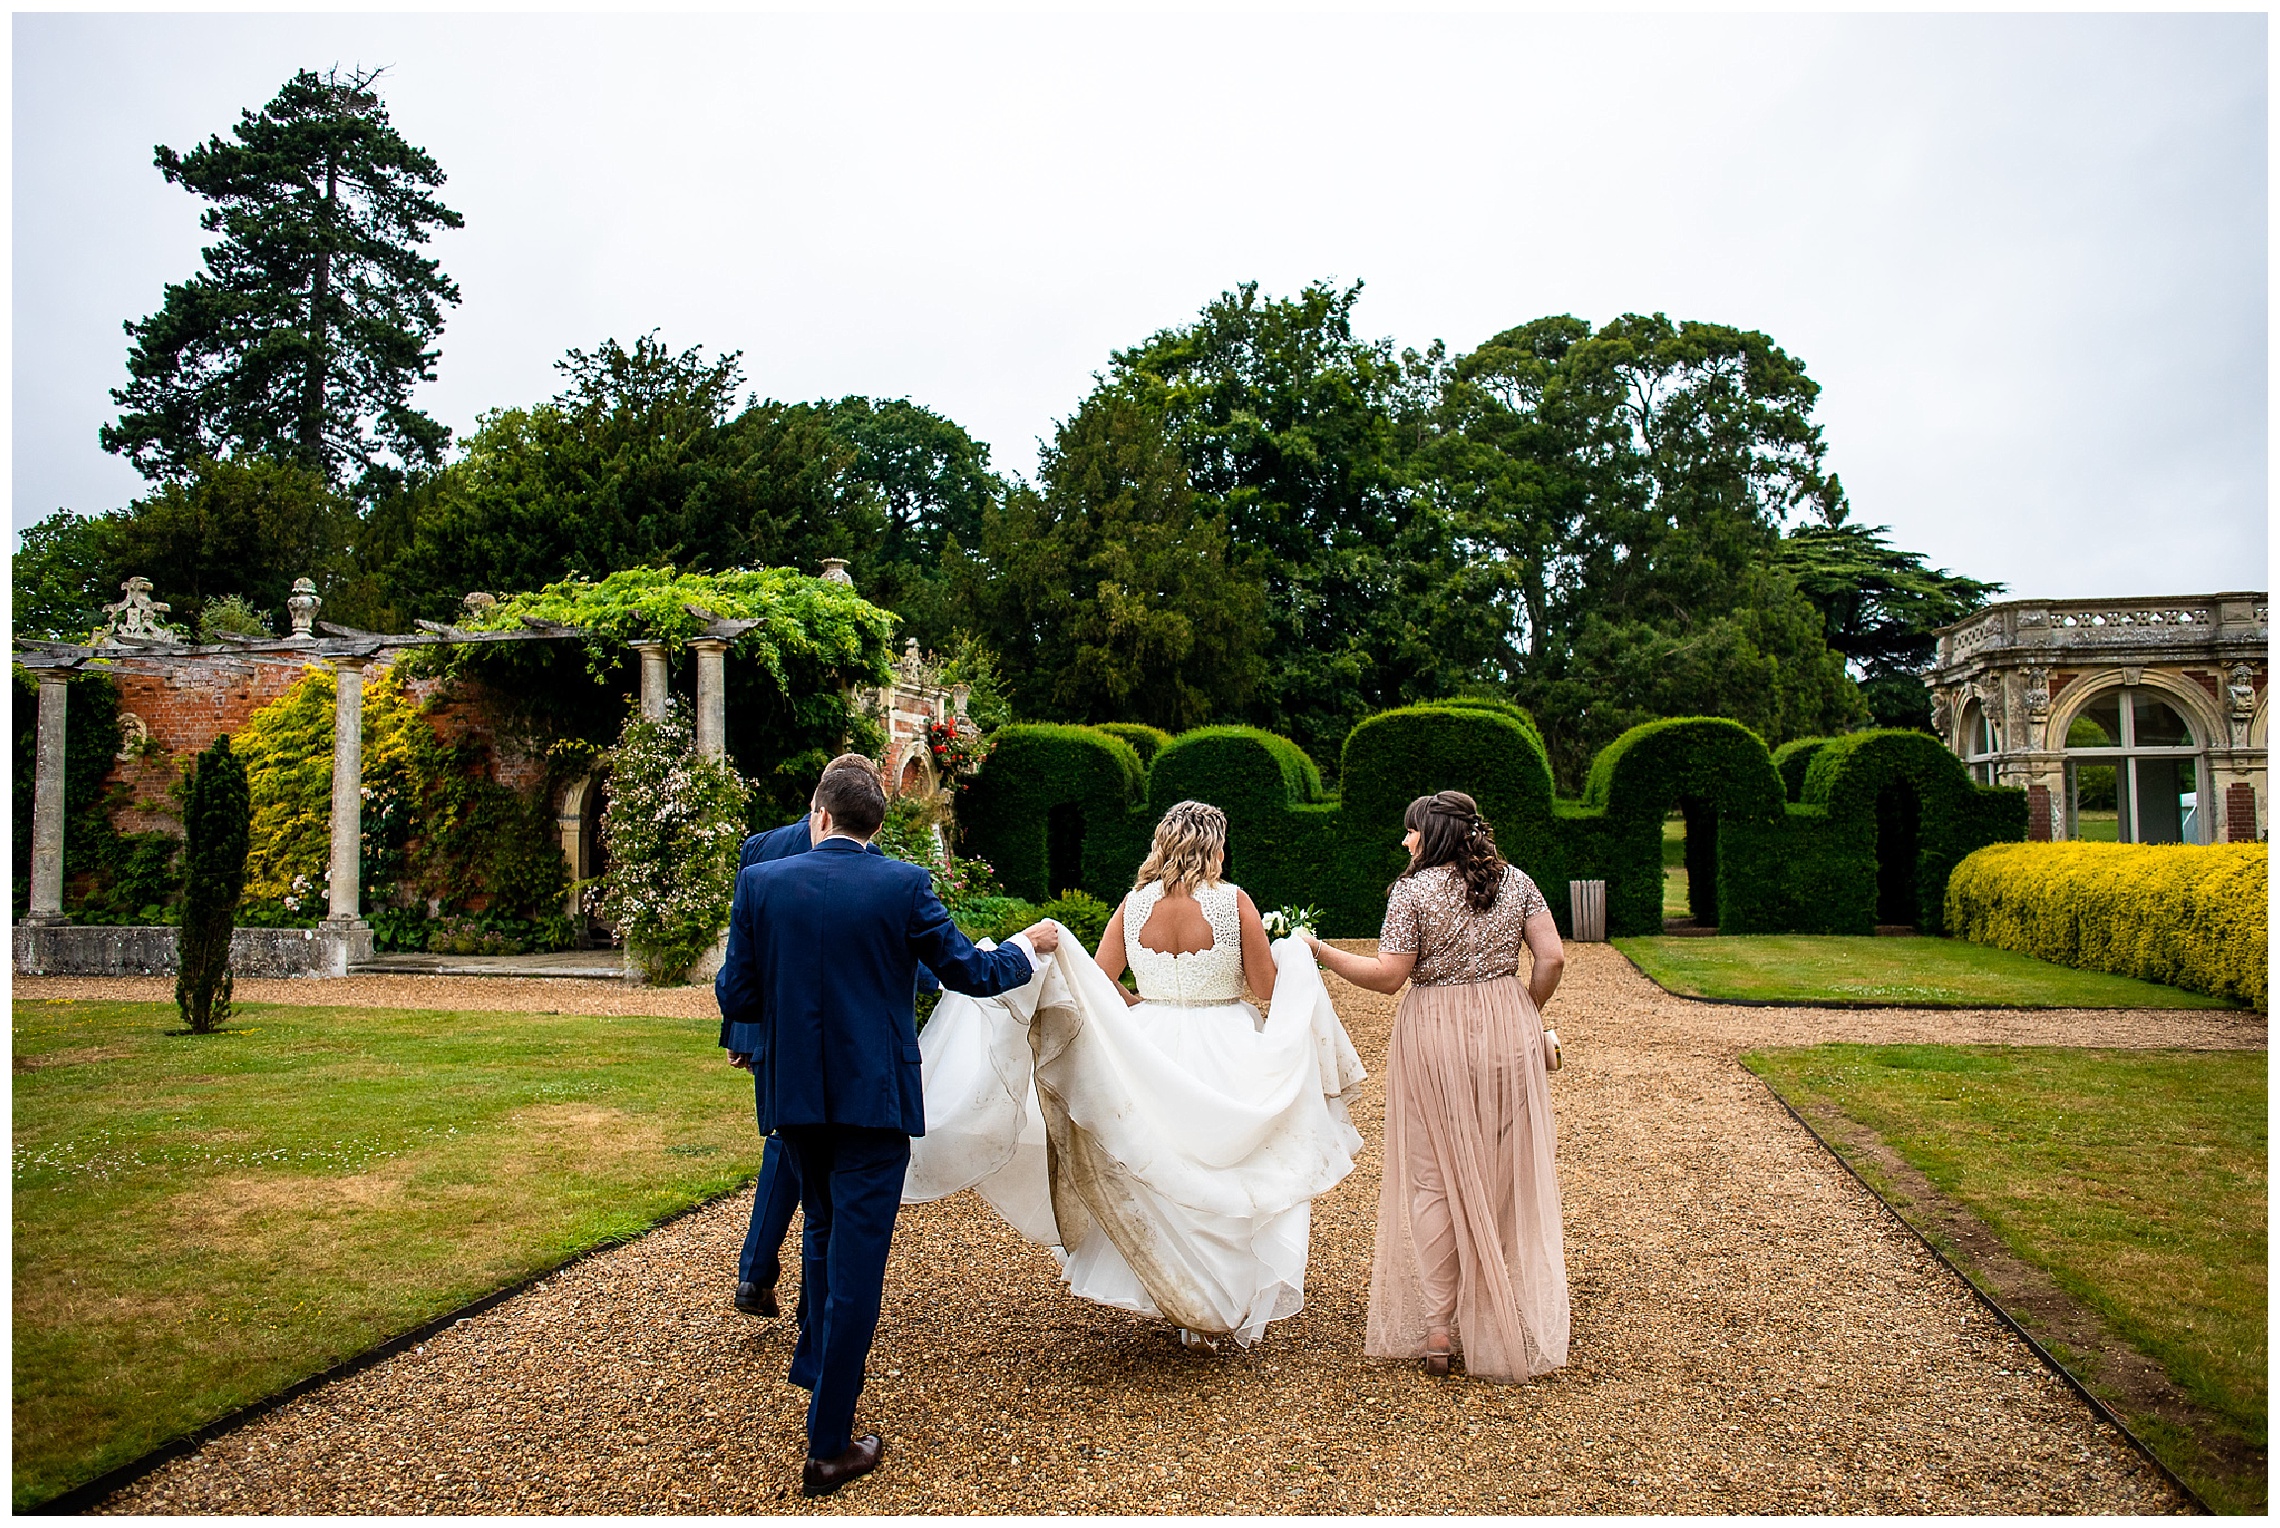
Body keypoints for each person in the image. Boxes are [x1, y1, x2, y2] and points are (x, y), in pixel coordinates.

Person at [905, 800, 1366, 1347]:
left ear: (1162, 844)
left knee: (1158, 1165)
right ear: (1214, 847)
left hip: (1150, 1039)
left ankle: (1175, 1293)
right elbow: (1266, 989)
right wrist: (1292, 954)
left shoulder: (1133, 904)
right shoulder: (1233, 902)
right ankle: (1219, 1301)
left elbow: (1099, 981)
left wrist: (1140, 1004)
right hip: (1226, 1040)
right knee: (1225, 1168)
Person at [715, 766, 1059, 1497]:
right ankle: (830, 1445)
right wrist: (1028, 949)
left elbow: (737, 992)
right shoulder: (903, 885)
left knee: (821, 1231)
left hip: (795, 1099)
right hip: (872, 1100)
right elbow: (969, 972)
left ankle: (815, 1367)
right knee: (857, 1269)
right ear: (875, 825)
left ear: (820, 815)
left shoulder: (764, 884)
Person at [1305, 790, 1569, 1381]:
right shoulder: (1518, 881)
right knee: (1500, 1172)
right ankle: (1496, 1310)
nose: (1405, 841)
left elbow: (1388, 976)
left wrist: (1321, 952)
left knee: (1431, 1179)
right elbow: (1551, 959)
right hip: (1507, 1027)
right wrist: (1524, 1011)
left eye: (1411, 831)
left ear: (1433, 835)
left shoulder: (1412, 892)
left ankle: (1439, 1329)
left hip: (1434, 1035)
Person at [723, 753, 921, 1322]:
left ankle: (759, 1273)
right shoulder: (866, 856)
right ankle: (813, 1302)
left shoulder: (759, 849)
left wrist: (744, 1028)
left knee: (788, 1149)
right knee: (814, 1175)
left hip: (777, 1035)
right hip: (836, 1043)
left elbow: (745, 958)